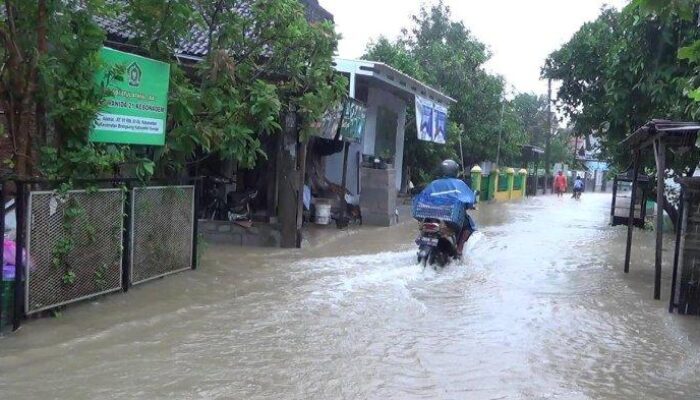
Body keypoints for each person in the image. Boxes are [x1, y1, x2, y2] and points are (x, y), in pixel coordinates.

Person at [424, 159, 477, 256]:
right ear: (455, 171)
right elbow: (469, 199)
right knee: (469, 227)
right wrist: (471, 204)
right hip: (450, 217)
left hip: (432, 216)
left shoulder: (434, 184)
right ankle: (459, 250)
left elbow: (424, 198)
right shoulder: (459, 184)